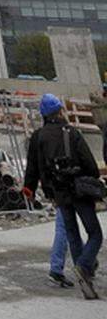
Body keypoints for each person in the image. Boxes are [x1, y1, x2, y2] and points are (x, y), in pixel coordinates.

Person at [24, 92, 104, 300]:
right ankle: (84, 266)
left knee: (72, 233)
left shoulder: (38, 137)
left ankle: (83, 273)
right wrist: (90, 181)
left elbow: (33, 167)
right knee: (95, 233)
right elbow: (90, 166)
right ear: (60, 110)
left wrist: (29, 189)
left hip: (58, 194)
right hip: (78, 190)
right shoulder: (72, 133)